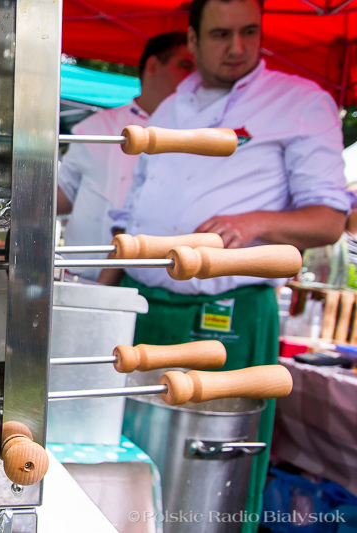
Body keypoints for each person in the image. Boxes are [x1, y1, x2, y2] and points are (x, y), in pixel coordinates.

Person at [107, 0, 355, 530]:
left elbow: (329, 219)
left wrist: (253, 222)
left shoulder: (299, 102)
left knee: (210, 476)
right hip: (145, 306)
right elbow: (134, 211)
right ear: (192, 40)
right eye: (221, 34)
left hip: (228, 315)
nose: (237, 48)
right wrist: (104, 300)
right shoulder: (172, 106)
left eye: (249, 32)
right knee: (127, 459)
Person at [57, 31, 194, 280]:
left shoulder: (195, 138)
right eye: (185, 66)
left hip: (148, 280)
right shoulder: (95, 128)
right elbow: (63, 195)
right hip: (76, 275)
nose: (194, 78)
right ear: (153, 66)